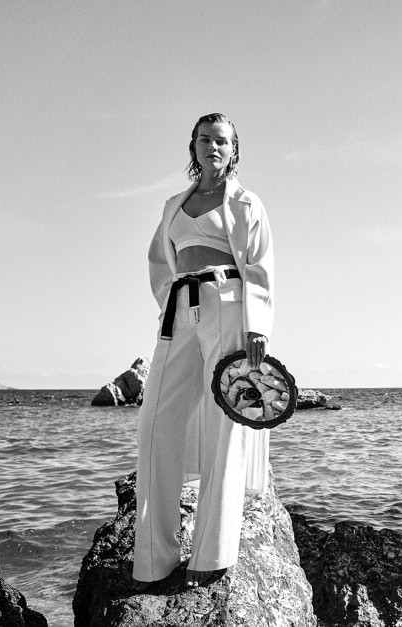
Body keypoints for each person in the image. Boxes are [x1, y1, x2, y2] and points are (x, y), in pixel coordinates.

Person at [132, 113, 275, 590]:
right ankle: (153, 560)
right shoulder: (174, 205)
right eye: (204, 139)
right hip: (180, 313)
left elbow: (259, 266)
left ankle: (211, 556)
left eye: (222, 141)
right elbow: (159, 264)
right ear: (191, 147)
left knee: (225, 429)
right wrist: (166, 310)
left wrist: (258, 328)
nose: (212, 146)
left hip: (230, 309)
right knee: (155, 423)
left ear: (234, 151)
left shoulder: (246, 202)